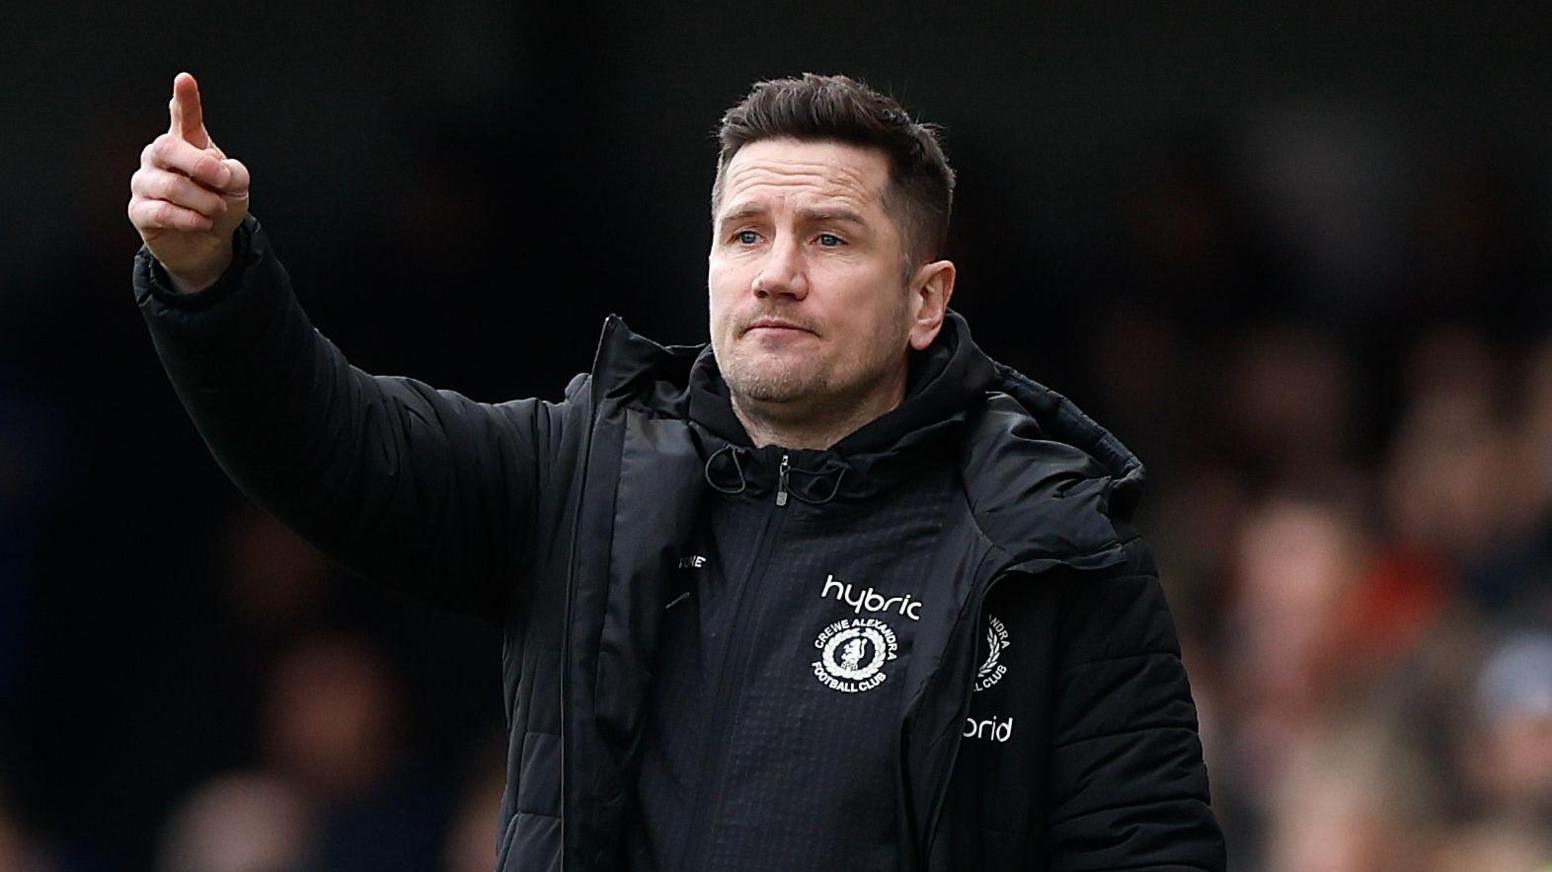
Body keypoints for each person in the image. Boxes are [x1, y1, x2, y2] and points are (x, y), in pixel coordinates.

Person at [129, 70, 1226, 872]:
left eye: (831, 238)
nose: (777, 274)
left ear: (926, 299)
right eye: (744, 234)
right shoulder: (581, 471)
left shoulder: (1049, 550)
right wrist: (209, 278)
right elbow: (331, 447)